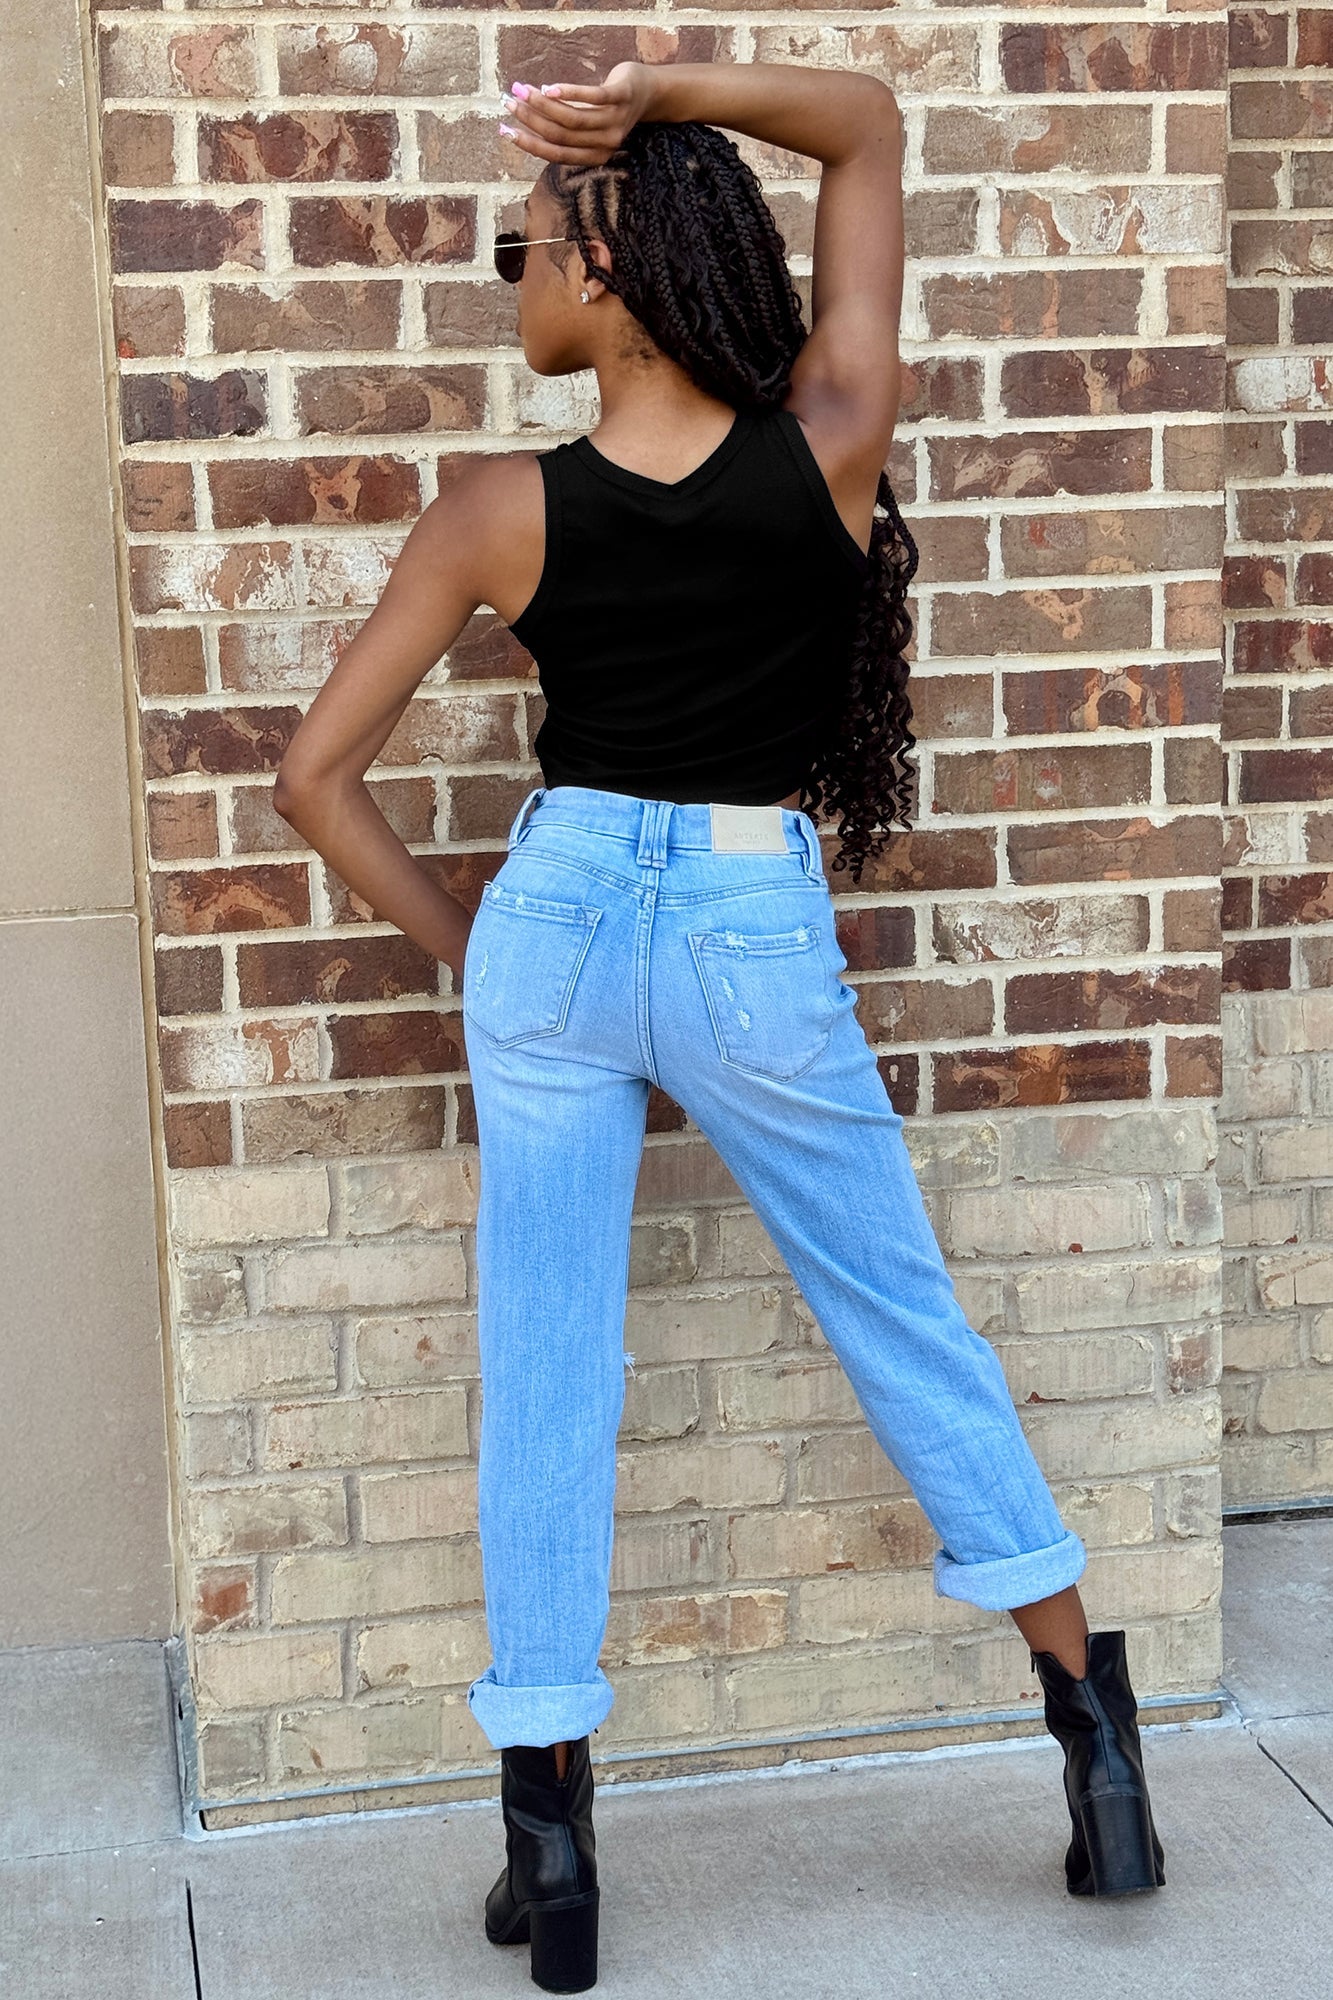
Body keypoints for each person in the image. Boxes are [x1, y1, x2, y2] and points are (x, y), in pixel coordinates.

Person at [274, 57, 1165, 1996]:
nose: (511, 277)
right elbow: (863, 123)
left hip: (559, 919)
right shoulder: (827, 441)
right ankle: (1092, 1731)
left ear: (603, 268)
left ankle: (550, 1841)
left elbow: (313, 779)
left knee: (545, 1362)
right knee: (899, 1310)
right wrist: (664, 89)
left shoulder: (495, 509)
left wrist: (475, 947)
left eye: (525, 247)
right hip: (753, 915)